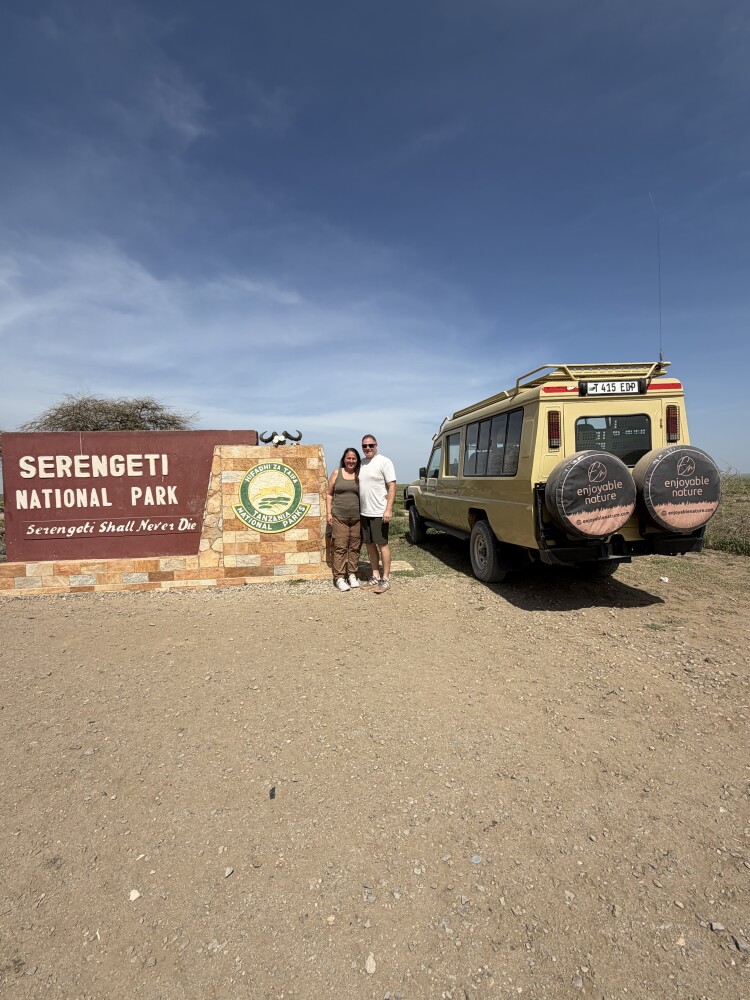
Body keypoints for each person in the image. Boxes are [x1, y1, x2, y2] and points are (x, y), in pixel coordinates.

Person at [359, 434, 397, 591]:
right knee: (369, 544)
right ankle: (375, 576)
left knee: (382, 544)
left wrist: (388, 509)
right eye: (365, 446)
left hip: (379, 512)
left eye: (371, 445)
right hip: (364, 512)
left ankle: (385, 578)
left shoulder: (384, 462)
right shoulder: (361, 463)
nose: (368, 448)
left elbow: (392, 486)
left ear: (376, 445)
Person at [327, 448, 362, 592]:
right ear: (344, 459)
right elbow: (329, 494)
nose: (351, 461)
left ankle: (352, 574)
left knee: (355, 547)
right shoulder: (337, 473)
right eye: (349, 458)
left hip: (357, 517)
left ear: (357, 460)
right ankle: (339, 578)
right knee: (340, 547)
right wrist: (328, 513)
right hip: (339, 516)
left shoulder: (360, 475)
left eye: (354, 458)